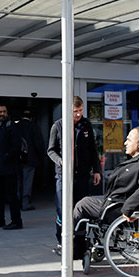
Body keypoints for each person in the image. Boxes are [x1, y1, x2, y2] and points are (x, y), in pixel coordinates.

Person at [72, 127, 139, 256]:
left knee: (82, 205)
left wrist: (128, 208)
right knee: (88, 201)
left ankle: (78, 250)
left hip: (119, 208)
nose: (125, 143)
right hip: (117, 203)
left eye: (129, 140)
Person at [48, 96, 101, 255]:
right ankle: (62, 243)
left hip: (82, 176)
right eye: (75, 111)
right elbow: (50, 150)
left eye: (81, 110)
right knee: (62, 211)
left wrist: (96, 170)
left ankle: (80, 243)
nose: (78, 114)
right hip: (63, 177)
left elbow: (93, 149)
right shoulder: (58, 126)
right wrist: (60, 161)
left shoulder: (86, 125)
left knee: (81, 210)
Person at [0, 104, 23, 230]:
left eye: (4, 111)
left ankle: (16, 222)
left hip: (9, 169)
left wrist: (6, 157)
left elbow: (16, 147)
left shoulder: (12, 127)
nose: (2, 114)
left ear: (7, 113)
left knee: (11, 196)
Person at [17, 109, 45, 211]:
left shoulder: (16, 126)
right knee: (27, 181)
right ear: (31, 118)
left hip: (17, 159)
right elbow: (39, 144)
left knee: (18, 181)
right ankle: (25, 203)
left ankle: (17, 202)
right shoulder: (34, 126)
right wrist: (41, 157)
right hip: (30, 159)